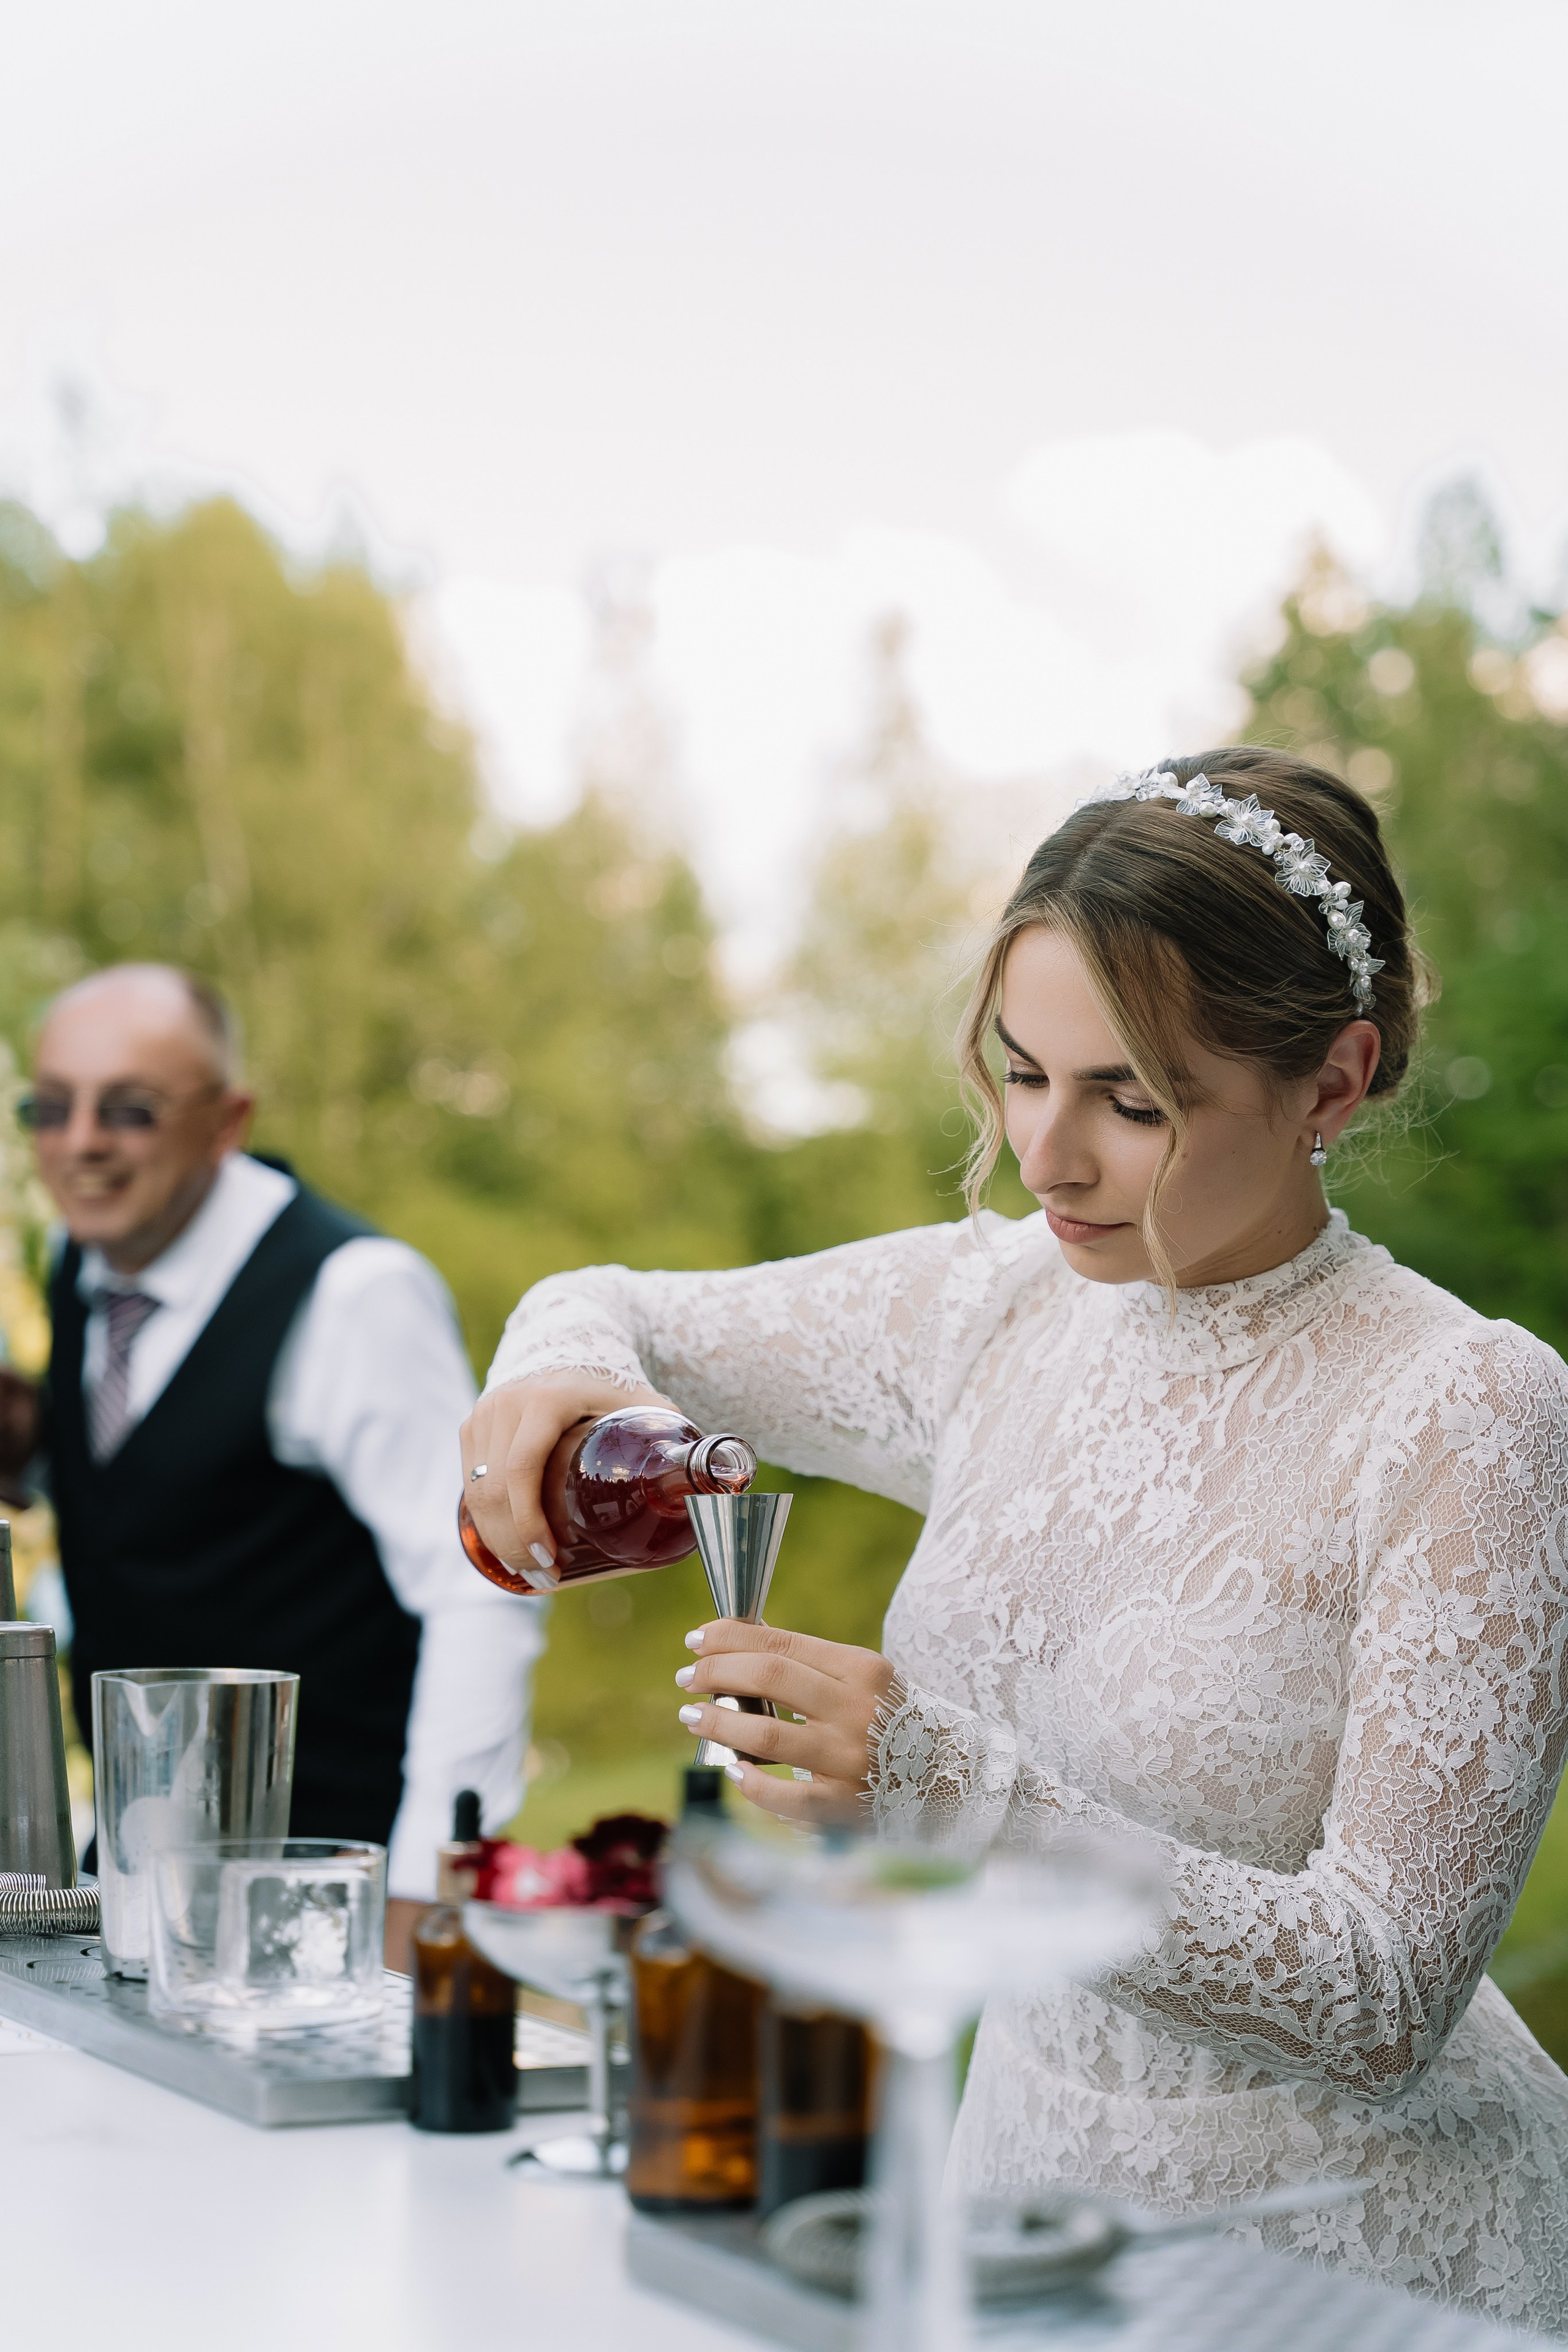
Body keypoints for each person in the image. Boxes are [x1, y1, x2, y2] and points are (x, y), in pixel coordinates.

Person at [461, 748, 1568, 2332]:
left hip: (1351, 2268)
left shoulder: (1467, 1409)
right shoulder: (988, 1308)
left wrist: (942, 1788)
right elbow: (608, 1306)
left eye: (1133, 1100)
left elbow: (1384, 1992)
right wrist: (551, 1381)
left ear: (1332, 1083)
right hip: (1011, 2225)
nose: (1048, 1156)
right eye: (1023, 1072)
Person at [21, 963, 546, 1955]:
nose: (80, 1142)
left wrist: (429, 1893)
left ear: (228, 1121)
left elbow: (481, 1586)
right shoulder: (79, 1256)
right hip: (133, 1879)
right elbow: (165, 1489)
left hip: (324, 1899)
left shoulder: (354, 1294)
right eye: (50, 1108)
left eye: (128, 1110)